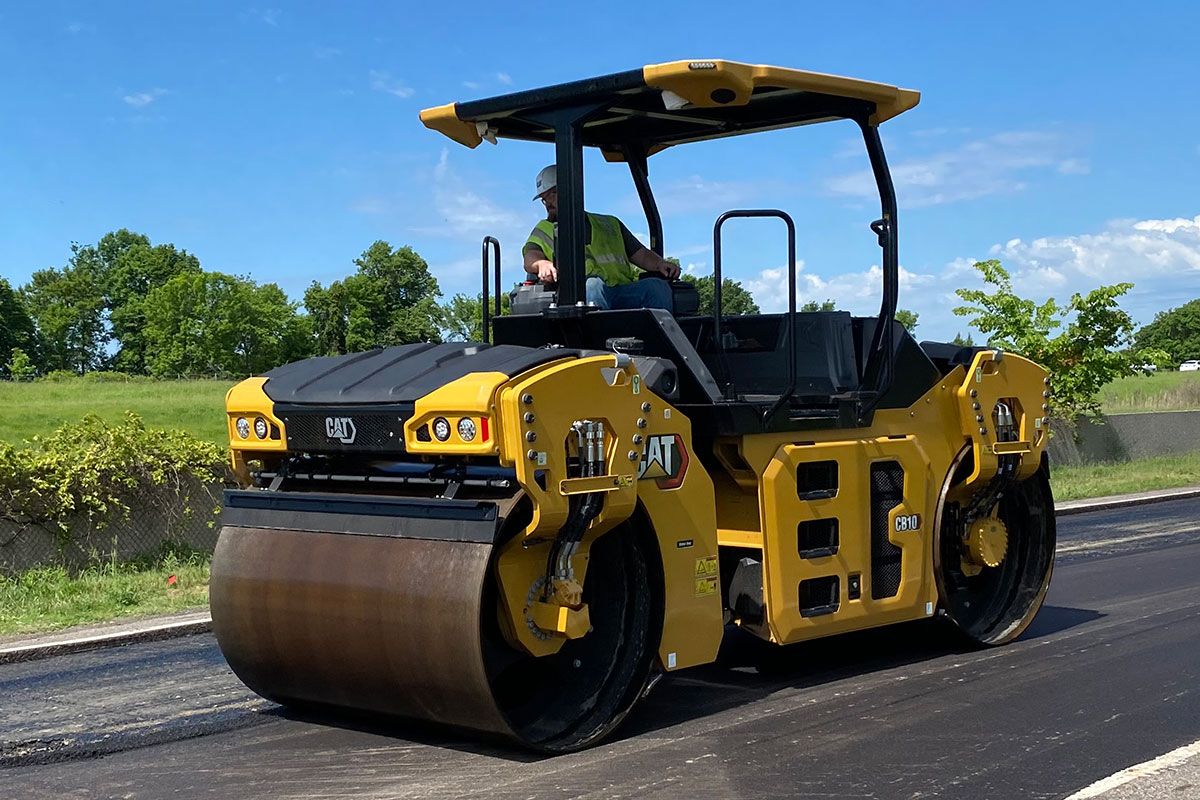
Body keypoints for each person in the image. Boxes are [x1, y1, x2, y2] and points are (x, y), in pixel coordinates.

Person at [523, 165, 680, 311]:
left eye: (552, 194)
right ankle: (601, 339)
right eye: (544, 198)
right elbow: (531, 256)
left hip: (623, 291)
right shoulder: (543, 229)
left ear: (570, 189)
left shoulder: (610, 224)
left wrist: (660, 263)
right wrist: (541, 263)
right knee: (592, 285)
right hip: (580, 297)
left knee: (656, 287)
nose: (547, 203)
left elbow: (642, 254)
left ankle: (660, 338)